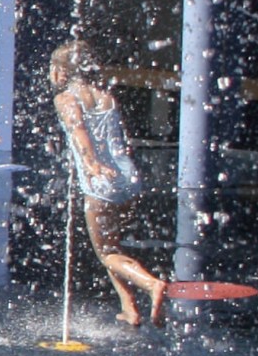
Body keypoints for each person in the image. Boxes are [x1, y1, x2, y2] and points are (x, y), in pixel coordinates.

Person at [50, 41, 169, 325]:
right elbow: (117, 138)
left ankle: (152, 284)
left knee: (106, 253)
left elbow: (79, 132)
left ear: (62, 71)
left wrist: (91, 164)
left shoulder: (66, 99)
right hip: (128, 177)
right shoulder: (106, 96)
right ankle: (129, 308)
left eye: (52, 69)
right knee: (112, 247)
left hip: (102, 181)